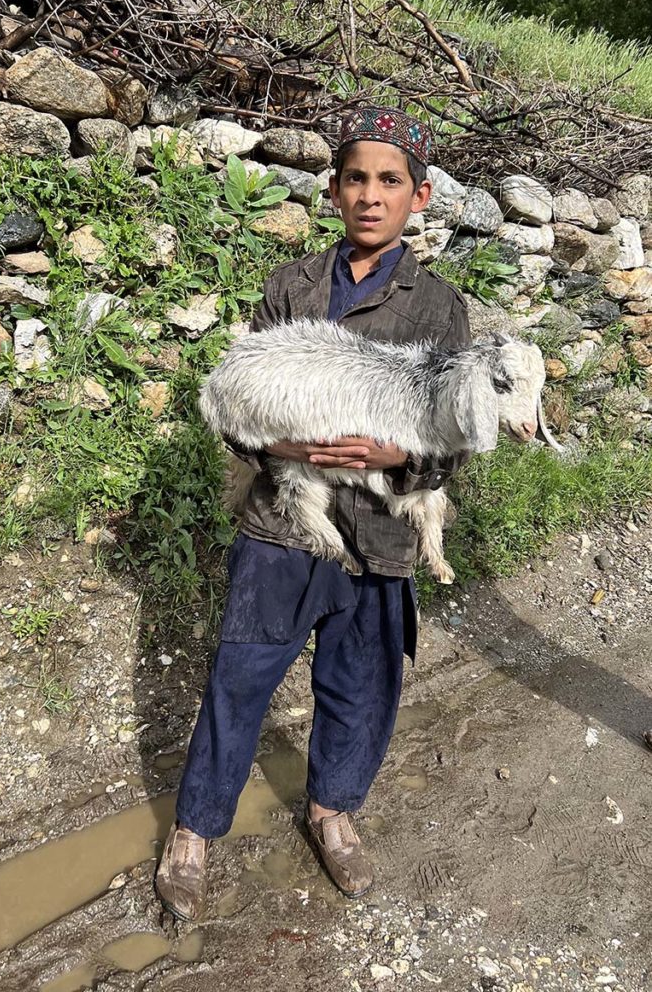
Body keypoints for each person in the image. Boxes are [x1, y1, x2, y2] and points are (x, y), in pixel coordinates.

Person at [155, 105, 472, 920]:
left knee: (359, 682)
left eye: (389, 181)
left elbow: (457, 431)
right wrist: (291, 450)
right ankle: (194, 829)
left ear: (420, 196)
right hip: (281, 528)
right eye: (356, 178)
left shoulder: (439, 310)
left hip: (380, 536)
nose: (371, 195)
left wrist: (393, 456)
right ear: (332, 191)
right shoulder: (288, 288)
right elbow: (240, 402)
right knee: (241, 675)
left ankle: (332, 813)